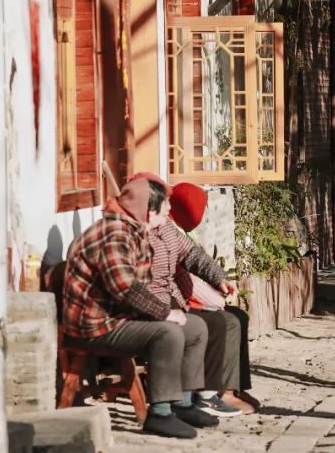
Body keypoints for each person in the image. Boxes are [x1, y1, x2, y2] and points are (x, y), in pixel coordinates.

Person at [62, 177, 218, 439]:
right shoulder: (114, 235)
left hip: (120, 316)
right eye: (165, 205)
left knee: (195, 328)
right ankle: (160, 413)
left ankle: (183, 404)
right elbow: (126, 289)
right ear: (149, 210)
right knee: (167, 333)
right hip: (97, 325)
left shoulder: (136, 230)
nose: (169, 209)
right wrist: (165, 313)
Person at [147, 179, 260, 416]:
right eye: (165, 203)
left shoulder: (167, 229)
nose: (169, 207)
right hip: (153, 308)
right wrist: (210, 302)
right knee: (221, 322)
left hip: (173, 301)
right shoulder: (133, 235)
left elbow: (193, 256)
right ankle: (205, 395)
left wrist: (219, 279)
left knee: (234, 318)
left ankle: (227, 389)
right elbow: (155, 283)